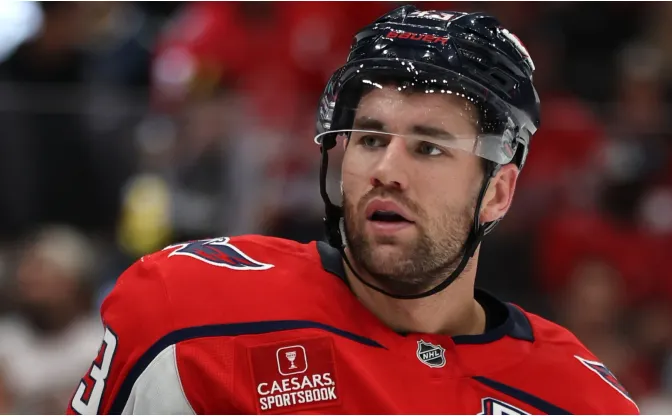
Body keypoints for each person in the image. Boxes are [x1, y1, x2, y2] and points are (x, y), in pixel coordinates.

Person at [67, 6, 640, 415]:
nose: (387, 169)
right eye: (369, 138)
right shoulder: (186, 311)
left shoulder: (580, 402)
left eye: (429, 146)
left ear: (497, 191)